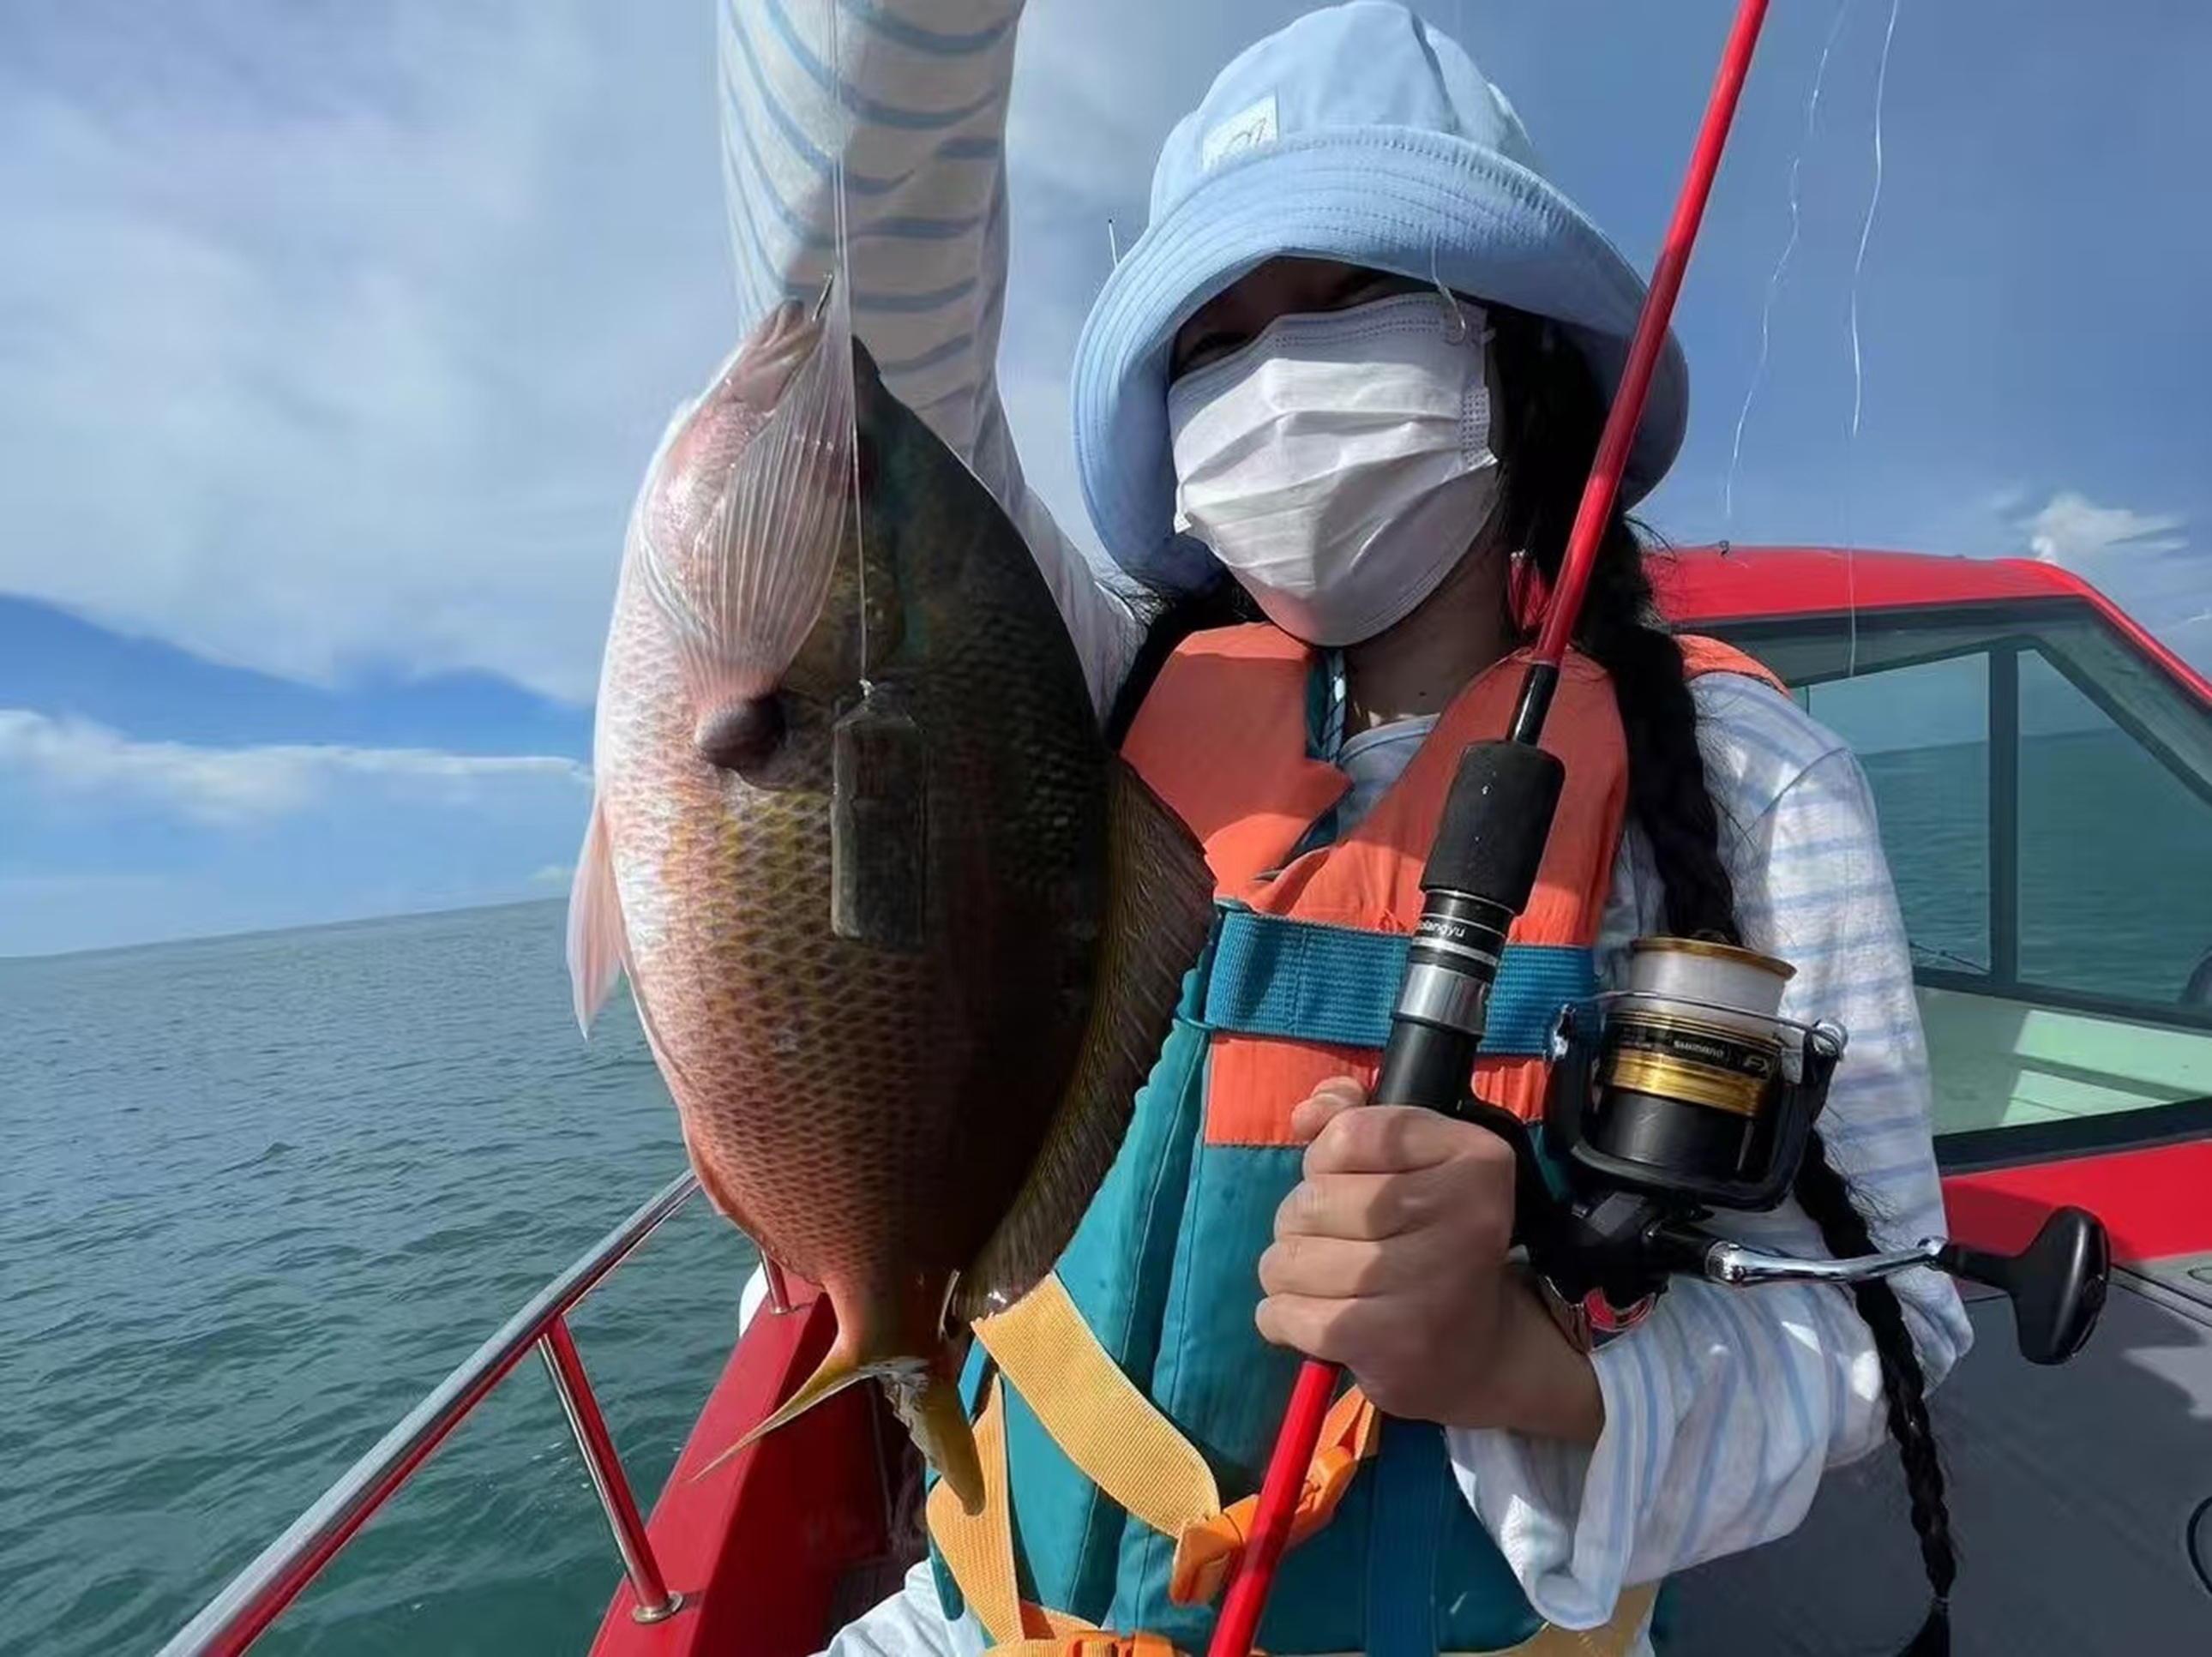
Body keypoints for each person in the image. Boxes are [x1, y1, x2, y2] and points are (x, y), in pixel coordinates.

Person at [704, 3, 1972, 1652]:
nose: (1278, 375)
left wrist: (1524, 1360)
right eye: (1217, 338)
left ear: (1504, 346)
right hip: (979, 1617)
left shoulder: (1746, 779)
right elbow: (863, 317)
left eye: (1353, 294)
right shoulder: (1080, 691)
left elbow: (1886, 1324)